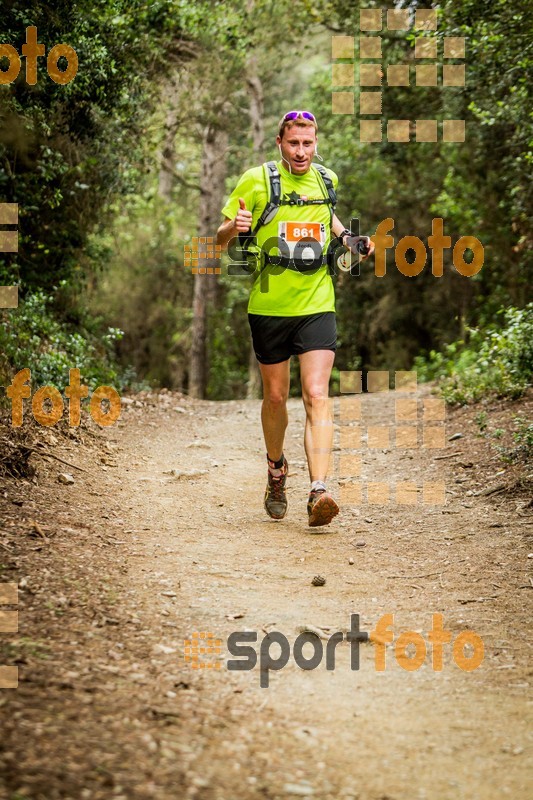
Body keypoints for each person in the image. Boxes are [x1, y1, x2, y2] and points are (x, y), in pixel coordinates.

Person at [216, 110, 374, 527]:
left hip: (317, 301)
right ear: (280, 144)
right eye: (294, 144)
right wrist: (236, 226)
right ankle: (276, 471)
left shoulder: (327, 180)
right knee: (274, 398)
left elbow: (328, 218)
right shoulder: (256, 179)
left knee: (316, 394)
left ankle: (319, 490)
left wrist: (348, 239)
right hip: (268, 305)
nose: (301, 152)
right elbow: (218, 238)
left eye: (308, 143)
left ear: (316, 143)